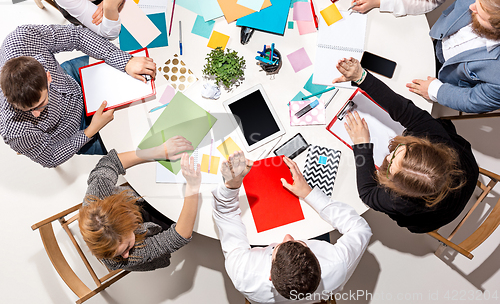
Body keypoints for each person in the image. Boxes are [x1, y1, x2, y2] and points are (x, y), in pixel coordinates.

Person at [333, 57, 479, 233]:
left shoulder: (401, 201)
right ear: (425, 147)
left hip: (439, 214)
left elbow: (367, 194)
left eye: (391, 165)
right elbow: (403, 109)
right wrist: (361, 77)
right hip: (467, 171)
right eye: (399, 152)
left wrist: (362, 145)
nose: (388, 156)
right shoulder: (436, 137)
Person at [212, 151, 372, 303]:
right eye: (301, 243)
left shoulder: (243, 273)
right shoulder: (337, 264)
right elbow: (361, 229)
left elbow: (225, 215)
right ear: (317, 260)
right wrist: (309, 193)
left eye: (278, 247)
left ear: (269, 275)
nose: (288, 236)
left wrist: (232, 184)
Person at [0, 24, 156, 167]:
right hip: (76, 131)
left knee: (144, 77)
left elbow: (77, 35)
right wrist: (92, 129)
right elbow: (51, 157)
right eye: (26, 111)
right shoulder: (14, 131)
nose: (35, 115)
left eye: (40, 105)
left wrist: (125, 61)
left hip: (74, 78)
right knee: (141, 144)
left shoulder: (23, 38)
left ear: (48, 77)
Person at [343, 0, 500, 113]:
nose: (471, 6)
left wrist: (436, 91)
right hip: (438, 42)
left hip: (447, 77)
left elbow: (474, 100)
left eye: (480, 12)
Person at [79, 136, 199, 271]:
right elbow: (179, 236)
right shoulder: (118, 260)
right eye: (123, 250)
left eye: (125, 248)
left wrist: (159, 151)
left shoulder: (95, 198)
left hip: (141, 201)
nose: (125, 256)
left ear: (129, 222)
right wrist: (193, 189)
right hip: (158, 228)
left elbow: (111, 162)